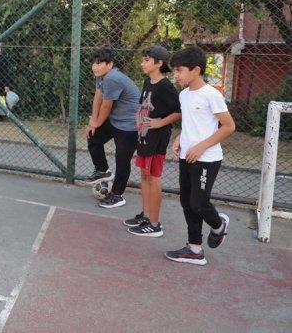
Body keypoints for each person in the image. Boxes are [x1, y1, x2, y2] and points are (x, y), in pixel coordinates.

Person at [165, 46, 235, 266]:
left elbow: (228, 126)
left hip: (207, 159)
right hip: (186, 156)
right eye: (174, 70)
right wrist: (179, 138)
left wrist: (202, 146)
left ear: (196, 70)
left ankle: (219, 225)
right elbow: (192, 124)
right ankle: (194, 249)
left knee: (199, 203)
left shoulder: (212, 95)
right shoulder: (184, 95)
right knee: (187, 202)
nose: (176, 75)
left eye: (179, 70)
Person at [124, 46, 181, 237]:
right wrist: (138, 117)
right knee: (144, 175)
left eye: (147, 60)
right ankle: (146, 215)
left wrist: (160, 122)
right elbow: (143, 104)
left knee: (153, 177)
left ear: (159, 63)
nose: (143, 63)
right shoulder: (148, 81)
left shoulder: (166, 86)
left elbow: (179, 111)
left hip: (157, 138)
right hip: (144, 136)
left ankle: (154, 224)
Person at [84, 47, 140, 209]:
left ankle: (117, 195)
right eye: (94, 63)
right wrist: (93, 122)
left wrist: (96, 122)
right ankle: (102, 170)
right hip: (115, 120)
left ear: (110, 65)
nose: (95, 67)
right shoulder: (101, 77)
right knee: (93, 136)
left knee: (122, 159)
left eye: (99, 63)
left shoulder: (112, 78)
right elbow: (98, 98)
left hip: (130, 125)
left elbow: (106, 106)